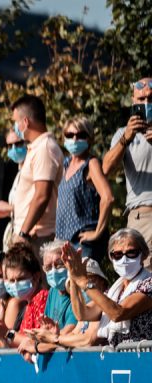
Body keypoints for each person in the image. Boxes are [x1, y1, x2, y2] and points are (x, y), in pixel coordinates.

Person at [0, 94, 64, 250]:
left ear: (25, 122)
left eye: (15, 122)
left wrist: (23, 234)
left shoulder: (45, 148)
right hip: (29, 234)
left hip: (37, 236)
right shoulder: (36, 148)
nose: (14, 127)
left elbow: (41, 196)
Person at [63, 228, 152, 345]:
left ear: (144, 255)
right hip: (119, 357)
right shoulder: (114, 291)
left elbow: (118, 313)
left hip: (143, 357)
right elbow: (83, 314)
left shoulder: (148, 284)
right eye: (117, 254)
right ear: (111, 258)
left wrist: (83, 281)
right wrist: (73, 277)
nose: (124, 259)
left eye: (131, 252)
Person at [55, 115, 114, 260]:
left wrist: (97, 233)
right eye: (69, 135)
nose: (74, 139)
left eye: (80, 135)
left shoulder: (91, 163)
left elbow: (108, 198)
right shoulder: (66, 164)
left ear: (89, 138)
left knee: (86, 282)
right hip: (64, 242)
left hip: (84, 242)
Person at [101, 76, 152, 242]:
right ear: (133, 101)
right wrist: (126, 138)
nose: (146, 103)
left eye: (151, 99)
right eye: (141, 99)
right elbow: (106, 170)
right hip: (141, 216)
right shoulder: (123, 133)